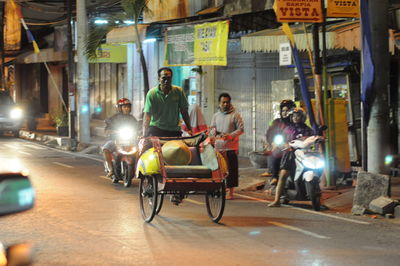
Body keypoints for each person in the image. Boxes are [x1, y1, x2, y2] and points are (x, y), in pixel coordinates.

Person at [267, 107, 313, 207]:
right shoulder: (288, 129)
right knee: (283, 175)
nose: (296, 118)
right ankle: (277, 200)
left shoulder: (307, 129)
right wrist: (283, 144)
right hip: (290, 154)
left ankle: (315, 193)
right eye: (293, 116)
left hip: (305, 154)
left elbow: (314, 137)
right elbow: (281, 140)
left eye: (298, 116)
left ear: (302, 117)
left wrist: (319, 138)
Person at [210, 93, 244, 200]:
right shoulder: (215, 116)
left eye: (227, 102)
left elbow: (241, 129)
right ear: (219, 103)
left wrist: (230, 136)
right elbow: (212, 129)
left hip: (231, 147)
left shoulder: (235, 115)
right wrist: (214, 133)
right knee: (219, 170)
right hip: (218, 147)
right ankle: (220, 189)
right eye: (223, 102)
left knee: (231, 170)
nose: (225, 104)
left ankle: (231, 192)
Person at [142, 67, 192, 137]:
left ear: (171, 79)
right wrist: (144, 135)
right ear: (159, 78)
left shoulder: (178, 91)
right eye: (164, 78)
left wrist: (190, 129)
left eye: (168, 78)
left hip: (174, 131)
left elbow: (184, 111)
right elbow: (147, 115)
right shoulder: (152, 93)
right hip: (156, 130)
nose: (166, 81)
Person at [262, 100, 296, 186]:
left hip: (294, 147)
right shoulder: (276, 122)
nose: (285, 113)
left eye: (287, 110)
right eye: (283, 110)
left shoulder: (296, 123)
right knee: (276, 153)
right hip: (280, 146)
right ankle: (274, 176)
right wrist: (272, 142)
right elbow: (269, 134)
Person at [102, 98, 138, 178]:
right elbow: (107, 129)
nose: (127, 108)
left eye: (128, 107)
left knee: (140, 149)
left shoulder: (132, 119)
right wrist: (111, 131)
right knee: (105, 149)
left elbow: (138, 127)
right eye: (124, 107)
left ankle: (138, 169)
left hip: (130, 141)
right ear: (120, 108)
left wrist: (140, 133)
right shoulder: (113, 118)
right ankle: (111, 169)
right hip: (116, 140)